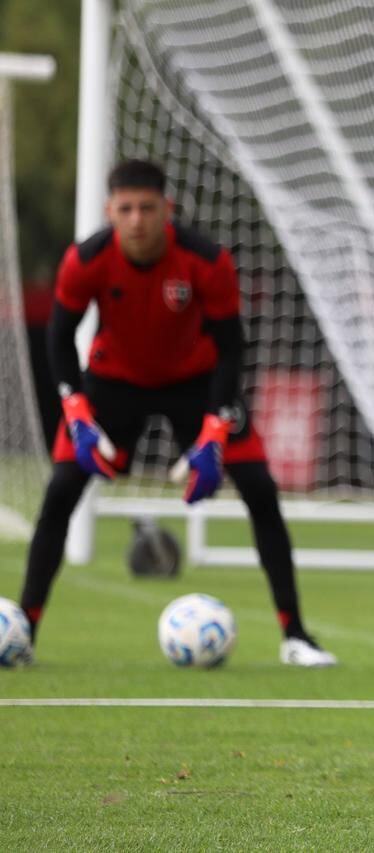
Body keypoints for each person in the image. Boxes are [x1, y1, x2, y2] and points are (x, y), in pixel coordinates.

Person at [14, 159, 336, 667]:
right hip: (113, 383)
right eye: (126, 209)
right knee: (60, 491)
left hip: (196, 382)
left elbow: (232, 347)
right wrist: (74, 407)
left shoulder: (207, 261)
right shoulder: (86, 259)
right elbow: (58, 335)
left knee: (259, 488)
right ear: (110, 212)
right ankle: (25, 630)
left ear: (167, 209)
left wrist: (214, 426)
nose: (137, 219)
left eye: (147, 208)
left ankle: (296, 636)